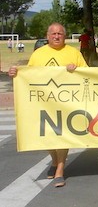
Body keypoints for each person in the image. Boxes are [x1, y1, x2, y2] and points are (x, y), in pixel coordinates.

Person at [8, 23, 88, 188]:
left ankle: (60, 169)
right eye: (53, 34)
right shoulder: (39, 54)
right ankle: (54, 160)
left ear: (64, 36)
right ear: (48, 35)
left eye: (60, 33)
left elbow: (86, 74)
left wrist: (76, 70)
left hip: (66, 103)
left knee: (62, 135)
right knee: (47, 136)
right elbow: (28, 75)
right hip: (43, 102)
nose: (57, 36)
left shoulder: (74, 53)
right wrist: (16, 73)